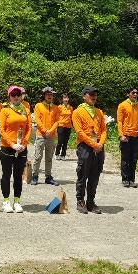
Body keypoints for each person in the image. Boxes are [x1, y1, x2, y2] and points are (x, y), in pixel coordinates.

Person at [72, 86, 107, 214]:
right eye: (91, 94)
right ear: (84, 96)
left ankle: (91, 201)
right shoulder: (78, 112)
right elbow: (79, 132)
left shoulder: (99, 112)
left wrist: (100, 144)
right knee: (83, 174)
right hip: (85, 146)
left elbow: (104, 130)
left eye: (95, 94)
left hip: (98, 147)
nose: (94, 96)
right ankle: (80, 201)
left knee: (95, 175)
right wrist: (93, 144)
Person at [0, 85, 31, 213]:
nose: (16, 97)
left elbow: (29, 129)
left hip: (21, 147)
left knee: (18, 175)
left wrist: (24, 144)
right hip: (7, 147)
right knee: (6, 174)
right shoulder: (5, 110)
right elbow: (1, 129)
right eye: (13, 95)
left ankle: (17, 201)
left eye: (18, 94)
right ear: (9, 97)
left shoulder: (26, 110)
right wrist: (12, 144)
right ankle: (6, 201)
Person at [117, 85, 138, 188]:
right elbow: (119, 121)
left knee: (134, 159)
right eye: (133, 93)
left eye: (136, 93)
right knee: (125, 158)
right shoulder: (122, 105)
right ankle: (125, 179)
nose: (135, 94)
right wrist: (121, 135)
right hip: (126, 136)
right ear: (128, 94)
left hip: (136, 136)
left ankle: (132, 179)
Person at [31, 86, 60, 186]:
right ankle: (35, 176)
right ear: (43, 95)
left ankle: (48, 177)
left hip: (51, 136)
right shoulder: (38, 106)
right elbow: (37, 119)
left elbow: (57, 121)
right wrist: (44, 130)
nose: (49, 96)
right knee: (38, 156)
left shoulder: (56, 108)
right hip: (41, 135)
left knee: (49, 157)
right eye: (47, 94)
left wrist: (50, 131)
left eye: (51, 94)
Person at [55, 93, 73, 160]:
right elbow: (56, 117)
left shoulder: (70, 108)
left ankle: (63, 155)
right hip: (61, 126)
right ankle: (57, 154)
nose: (66, 99)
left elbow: (71, 117)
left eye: (67, 98)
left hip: (68, 126)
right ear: (62, 99)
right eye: (65, 98)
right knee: (60, 141)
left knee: (65, 142)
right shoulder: (59, 107)